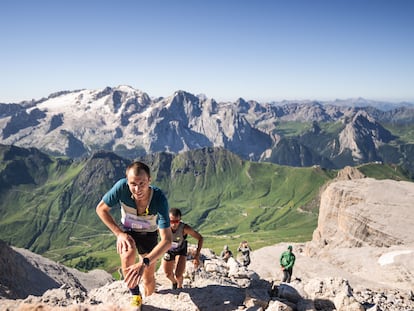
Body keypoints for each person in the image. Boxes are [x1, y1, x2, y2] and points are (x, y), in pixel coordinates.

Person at [96, 161, 172, 310]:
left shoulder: (159, 198)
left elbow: (168, 240)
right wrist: (119, 234)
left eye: (142, 183)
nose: (137, 189)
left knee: (148, 277)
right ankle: (135, 295)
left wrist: (144, 262)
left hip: (149, 234)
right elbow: (101, 209)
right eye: (133, 184)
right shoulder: (121, 187)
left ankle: (151, 299)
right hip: (128, 230)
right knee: (127, 255)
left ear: (149, 180)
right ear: (127, 181)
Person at [162, 208, 203, 289]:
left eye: (176, 222)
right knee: (168, 274)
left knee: (178, 274)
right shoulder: (163, 226)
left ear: (180, 220)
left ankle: (179, 287)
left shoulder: (185, 228)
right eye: (171, 221)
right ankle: (174, 283)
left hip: (181, 249)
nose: (174, 224)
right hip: (168, 250)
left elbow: (200, 238)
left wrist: (197, 256)